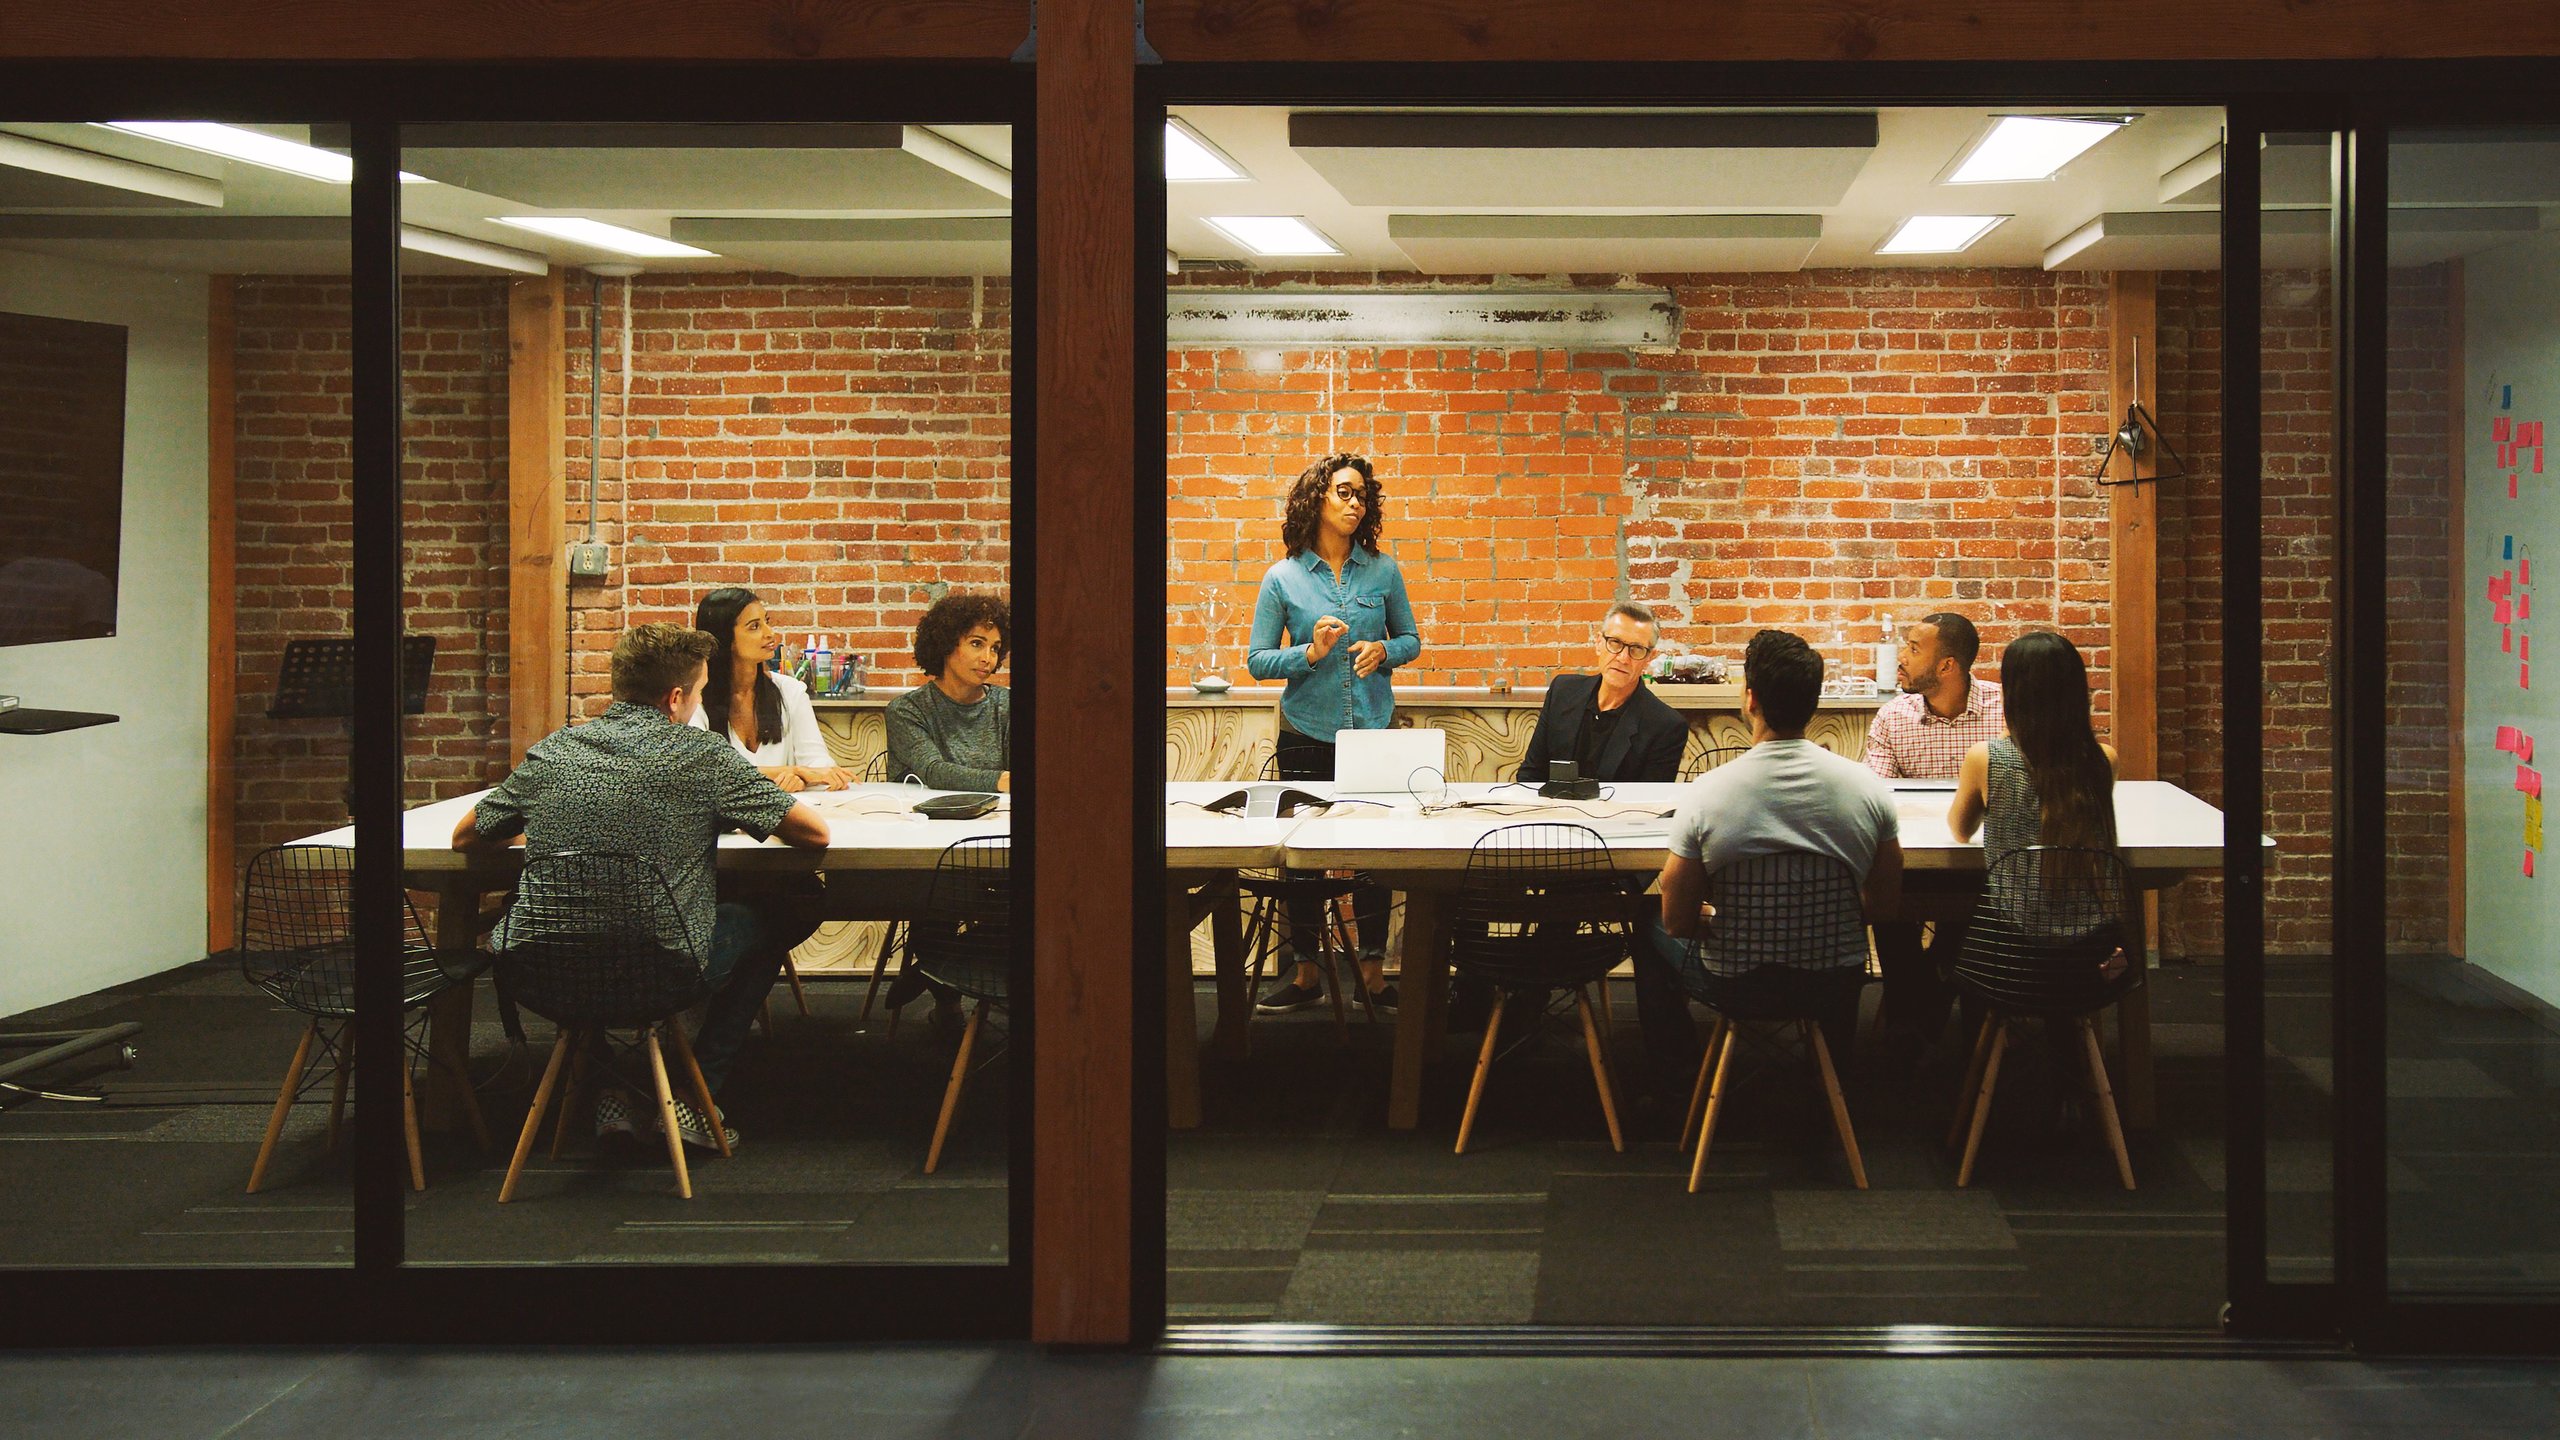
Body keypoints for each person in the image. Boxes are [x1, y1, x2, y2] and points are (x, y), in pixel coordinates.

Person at [454, 622, 830, 1149]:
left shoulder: (554, 750)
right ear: (676, 698)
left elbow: (467, 834)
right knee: (776, 915)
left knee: (595, 936)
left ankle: (613, 1088)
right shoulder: (700, 755)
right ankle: (692, 1098)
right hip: (659, 968)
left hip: (537, 969)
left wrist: (549, 822)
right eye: (699, 693)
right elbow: (814, 834)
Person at [1643, 630, 1904, 1078]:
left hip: (1735, 981)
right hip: (1833, 978)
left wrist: (1732, 920)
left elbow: (1677, 920)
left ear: (1750, 699)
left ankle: (1675, 1081)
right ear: (1814, 703)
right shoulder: (1868, 790)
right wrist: (1816, 916)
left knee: (1647, 925)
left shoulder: (1708, 793)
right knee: (1831, 958)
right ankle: (1832, 1084)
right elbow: (1884, 905)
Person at [1246, 452, 1420, 1013]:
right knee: (1302, 858)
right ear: (1317, 498)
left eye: (1362, 495)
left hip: (1372, 732)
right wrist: (1311, 652)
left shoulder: (1383, 570)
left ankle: (1371, 971)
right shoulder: (1284, 577)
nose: (1354, 502)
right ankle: (1306, 975)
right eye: (1344, 492)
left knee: (1375, 855)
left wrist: (1385, 650)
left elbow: (1412, 640)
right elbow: (1256, 662)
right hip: (1306, 732)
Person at [1861, 610, 2005, 1059]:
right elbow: (1875, 797)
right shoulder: (1893, 716)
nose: (1900, 657)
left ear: (1948, 666)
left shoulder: (2005, 711)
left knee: (1985, 900)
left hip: (1984, 862)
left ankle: (1922, 1001)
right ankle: (1932, 987)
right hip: (1913, 860)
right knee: (1885, 889)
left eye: (1913, 649)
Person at [1948, 629, 2129, 976]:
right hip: (2090, 959)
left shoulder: (1986, 758)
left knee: (1956, 927)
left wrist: (2008, 733)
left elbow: (1959, 831)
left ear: (2014, 694)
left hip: (2010, 957)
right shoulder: (2104, 759)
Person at [689, 586, 853, 792]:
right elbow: (703, 773)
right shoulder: (695, 701)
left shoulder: (792, 692)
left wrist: (803, 779)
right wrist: (790, 772)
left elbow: (819, 766)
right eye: (754, 626)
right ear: (724, 638)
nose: (770, 634)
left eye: (767, 621)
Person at [1514, 601, 1689, 788]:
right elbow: (1530, 775)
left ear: (1648, 658)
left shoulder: (1666, 726)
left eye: (1636, 649)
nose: (1623, 658)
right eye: (1615, 643)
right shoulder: (1563, 692)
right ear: (1599, 643)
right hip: (1550, 813)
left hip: (1619, 817)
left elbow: (1648, 804)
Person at [885, 591, 1012, 793]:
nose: (987, 658)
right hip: (922, 818)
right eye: (977, 644)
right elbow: (934, 772)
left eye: (995, 648)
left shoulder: (1006, 704)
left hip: (994, 817)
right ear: (946, 644)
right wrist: (1000, 781)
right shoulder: (906, 710)